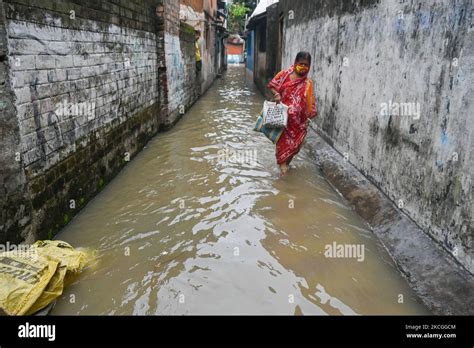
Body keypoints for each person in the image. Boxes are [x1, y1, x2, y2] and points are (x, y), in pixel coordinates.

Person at [267, 51, 317, 175]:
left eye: (306, 65)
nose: (303, 67)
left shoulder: (308, 83)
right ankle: (284, 176)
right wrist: (277, 94)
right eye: (301, 64)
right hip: (283, 120)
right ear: (295, 63)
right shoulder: (284, 75)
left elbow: (310, 100)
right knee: (283, 147)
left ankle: (285, 166)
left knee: (295, 148)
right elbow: (272, 85)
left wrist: (310, 114)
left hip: (299, 123)